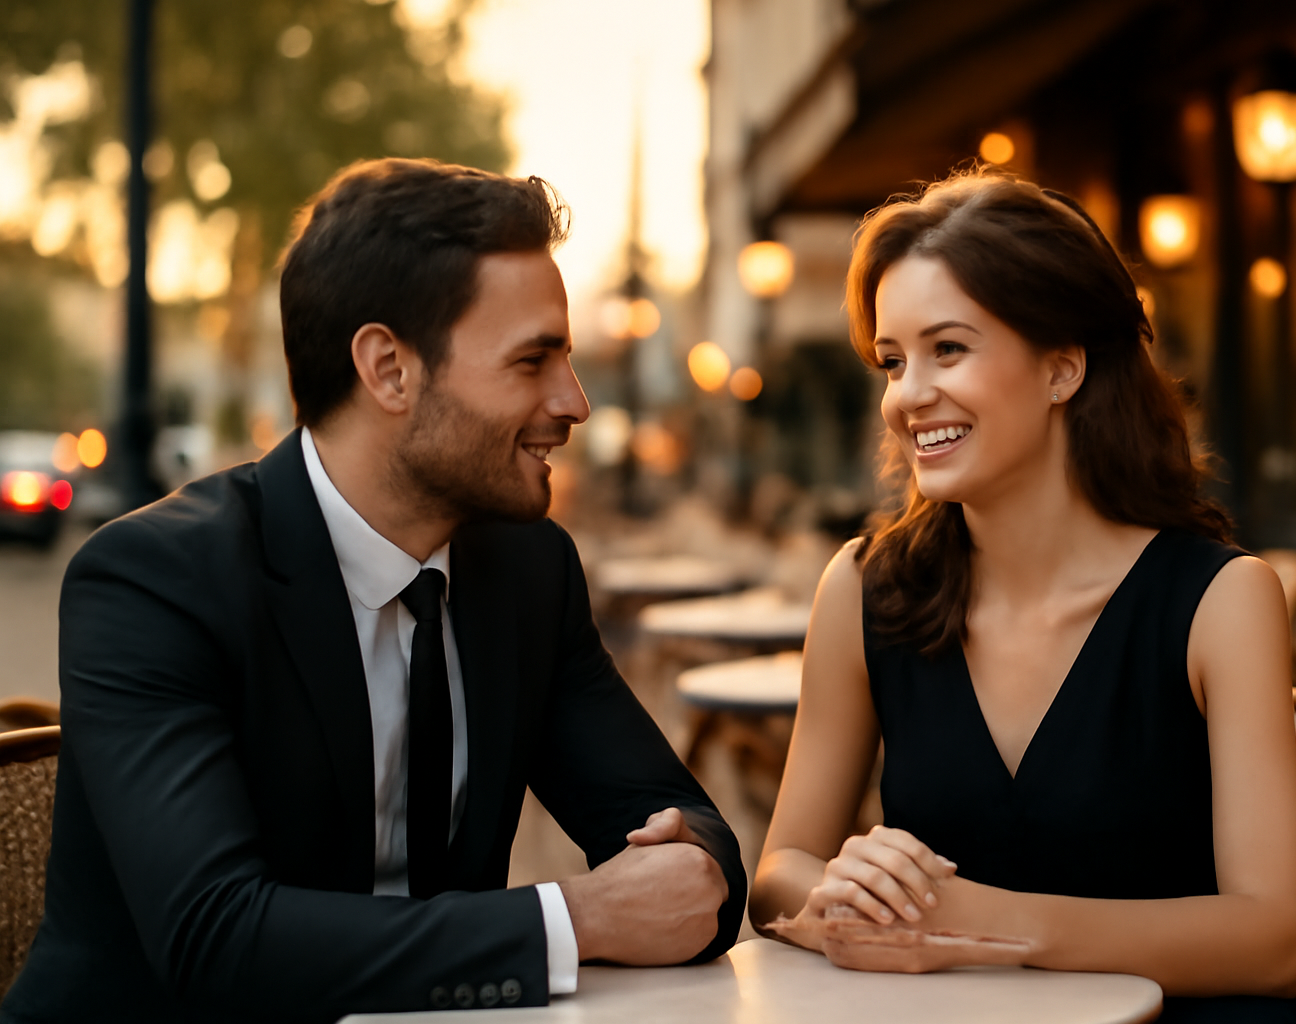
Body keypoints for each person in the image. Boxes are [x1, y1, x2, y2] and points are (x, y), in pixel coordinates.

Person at [1, 159, 746, 1024]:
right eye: (533, 360)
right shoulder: (155, 583)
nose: (573, 402)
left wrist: (695, 869)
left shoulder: (527, 571)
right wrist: (575, 918)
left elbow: (686, 826)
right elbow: (217, 940)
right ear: (389, 369)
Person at [749, 170, 1296, 1023]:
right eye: (894, 362)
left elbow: (1274, 941)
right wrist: (842, 892)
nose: (908, 396)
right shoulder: (864, 589)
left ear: (1062, 369)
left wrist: (981, 924)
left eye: (949, 349)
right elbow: (779, 873)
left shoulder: (1222, 600)